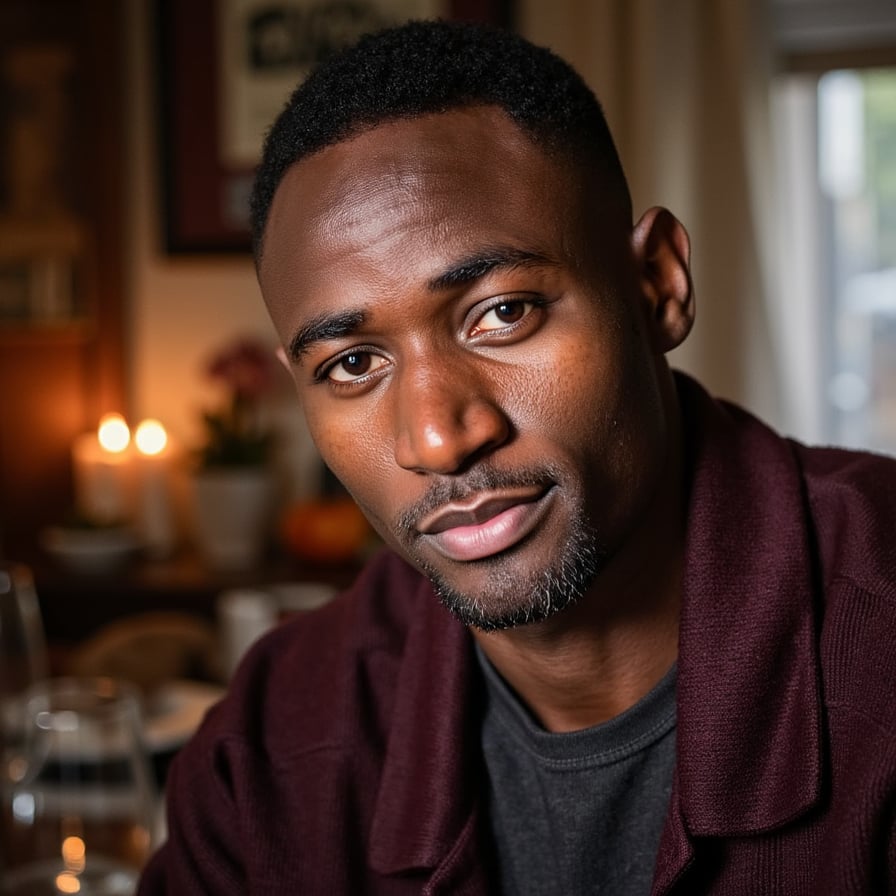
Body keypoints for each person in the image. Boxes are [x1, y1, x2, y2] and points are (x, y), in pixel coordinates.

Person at [138, 20, 896, 896]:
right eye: (352, 365)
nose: (438, 437)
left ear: (658, 286)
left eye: (502, 313)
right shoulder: (273, 744)